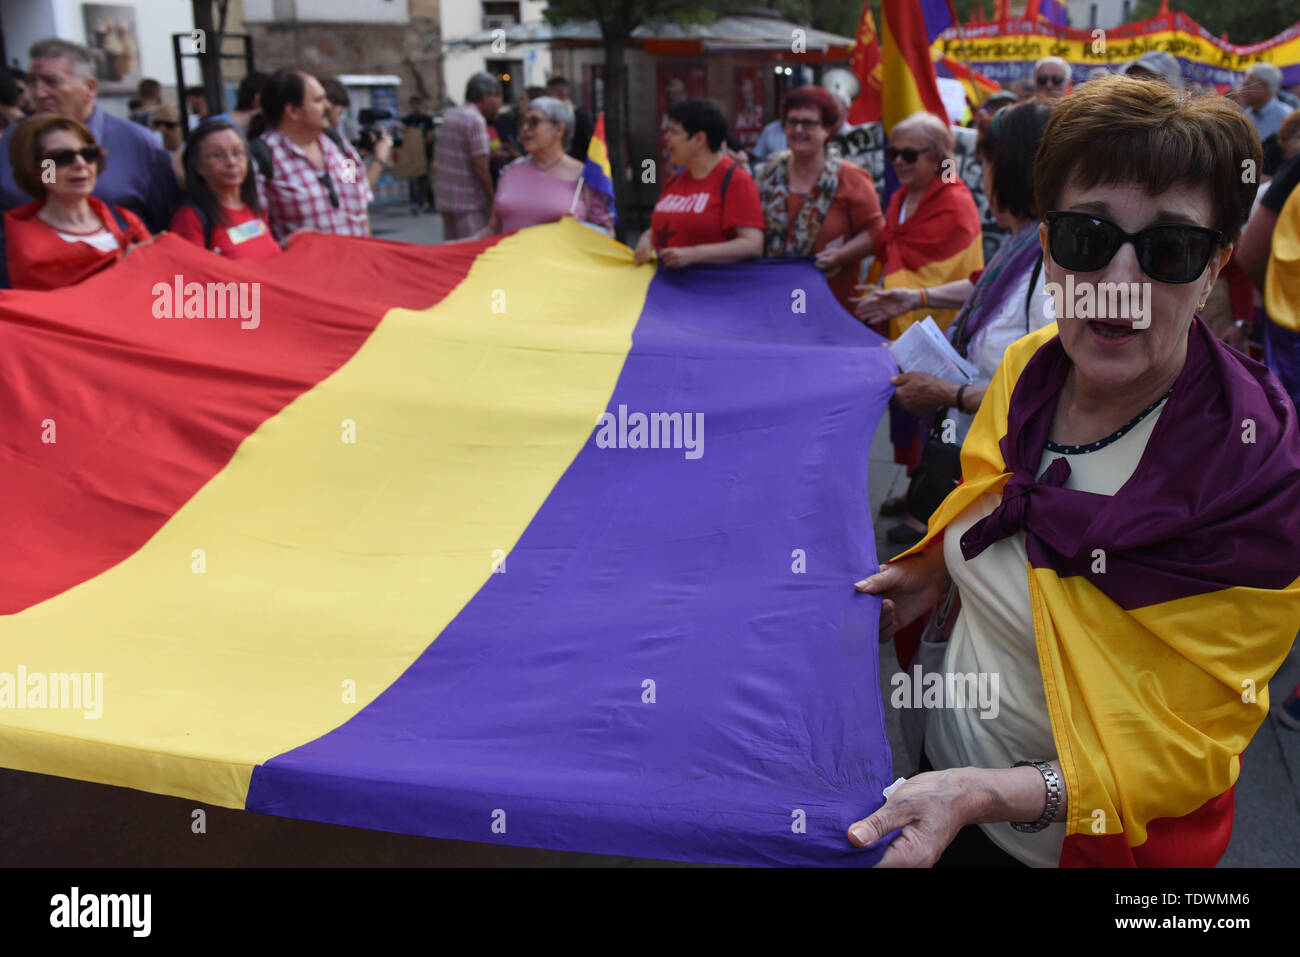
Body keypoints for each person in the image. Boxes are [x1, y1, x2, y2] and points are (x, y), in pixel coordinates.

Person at [851, 75, 1300, 868]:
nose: (1119, 285)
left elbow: (1195, 745)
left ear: (1216, 265)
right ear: (1048, 246)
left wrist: (991, 792)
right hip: (940, 776)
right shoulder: (1028, 368)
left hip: (1076, 844)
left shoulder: (1258, 470)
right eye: (1088, 238)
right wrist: (929, 569)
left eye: (1169, 250)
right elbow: (988, 509)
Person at [881, 99, 1056, 545]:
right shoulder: (1025, 240)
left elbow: (1052, 394)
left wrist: (947, 393)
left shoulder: (1054, 265)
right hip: (980, 460)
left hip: (1008, 481)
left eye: (986, 163)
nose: (983, 177)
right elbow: (982, 287)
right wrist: (914, 297)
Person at [0, 38, 180, 287]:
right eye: (33, 82)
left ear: (91, 87)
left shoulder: (138, 146)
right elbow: (49, 189)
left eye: (51, 82)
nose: (39, 93)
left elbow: (168, 227)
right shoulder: (11, 145)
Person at [851, 111, 983, 340]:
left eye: (909, 155)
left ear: (936, 158)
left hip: (936, 329)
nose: (898, 162)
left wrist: (899, 291)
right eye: (893, 154)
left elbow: (949, 276)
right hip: (890, 314)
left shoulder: (955, 203)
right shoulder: (900, 197)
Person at [754, 86, 884, 313]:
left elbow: (876, 233)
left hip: (831, 303)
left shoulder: (851, 177)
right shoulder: (768, 172)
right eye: (791, 122)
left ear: (827, 129)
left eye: (808, 123)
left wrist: (841, 256)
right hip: (773, 299)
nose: (798, 130)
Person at [4, 113, 152, 290]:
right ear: (37, 169)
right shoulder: (26, 243)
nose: (80, 164)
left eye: (89, 153)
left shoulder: (127, 222)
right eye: (62, 157)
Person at [633, 97, 764, 268]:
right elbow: (664, 224)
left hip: (711, 289)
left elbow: (753, 245)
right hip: (666, 288)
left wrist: (694, 255)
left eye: (674, 132)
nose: (666, 137)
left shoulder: (736, 180)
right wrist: (646, 239)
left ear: (699, 139)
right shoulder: (674, 182)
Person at [254, 68, 379, 243]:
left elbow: (359, 202)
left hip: (359, 265)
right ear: (293, 111)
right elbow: (256, 231)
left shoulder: (341, 148)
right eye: (319, 100)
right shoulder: (262, 160)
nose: (328, 106)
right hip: (304, 269)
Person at [473, 95, 613, 236]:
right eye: (523, 122)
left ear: (558, 129)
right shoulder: (509, 171)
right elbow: (493, 230)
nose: (525, 129)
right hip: (509, 258)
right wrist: (455, 248)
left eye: (533, 122)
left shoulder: (585, 176)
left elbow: (608, 233)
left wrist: (580, 228)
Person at [170, 119, 279, 259]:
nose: (231, 162)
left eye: (237, 152)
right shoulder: (190, 218)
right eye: (217, 155)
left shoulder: (255, 209)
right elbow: (189, 273)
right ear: (197, 166)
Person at [434, 72, 501, 240]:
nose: (499, 103)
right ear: (486, 97)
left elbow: (459, 154)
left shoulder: (452, 115)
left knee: (452, 254)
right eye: (498, 97)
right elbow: (480, 167)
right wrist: (492, 200)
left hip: (447, 200)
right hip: (469, 204)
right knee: (470, 256)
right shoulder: (475, 120)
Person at [396, 95, 435, 215]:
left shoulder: (427, 119)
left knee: (425, 180)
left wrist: (419, 142)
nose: (414, 107)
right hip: (413, 156)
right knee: (413, 180)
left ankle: (428, 203)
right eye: (412, 104)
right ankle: (416, 203)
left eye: (416, 104)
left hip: (426, 154)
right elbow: (399, 125)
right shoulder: (410, 119)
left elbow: (430, 136)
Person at [1234, 63, 1291, 143]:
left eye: (1247, 84)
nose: (1241, 89)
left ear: (1264, 86)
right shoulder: (1245, 116)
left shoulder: (1285, 116)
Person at [546, 75, 593, 161]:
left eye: (549, 95)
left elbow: (592, 146)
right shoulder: (552, 118)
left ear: (562, 93)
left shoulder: (582, 117)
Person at [149, 101, 185, 185]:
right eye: (157, 123)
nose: (162, 129)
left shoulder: (189, 154)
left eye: (169, 125)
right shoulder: (146, 154)